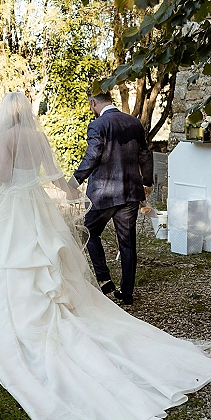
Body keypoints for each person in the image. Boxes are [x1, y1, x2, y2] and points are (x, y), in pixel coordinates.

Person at [0, 92, 211, 420]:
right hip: (39, 204)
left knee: (5, 258)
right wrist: (71, 192)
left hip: (13, 206)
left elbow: (1, 175)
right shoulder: (39, 136)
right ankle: (99, 299)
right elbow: (57, 177)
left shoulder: (4, 137)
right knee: (53, 257)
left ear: (3, 114)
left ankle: (8, 317)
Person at [73, 92, 153, 306]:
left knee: (88, 232)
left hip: (104, 194)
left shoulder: (98, 125)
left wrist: (74, 181)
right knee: (127, 243)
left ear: (93, 103)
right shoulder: (134, 122)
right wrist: (147, 182)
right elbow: (145, 154)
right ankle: (127, 293)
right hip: (130, 193)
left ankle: (104, 278)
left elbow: (93, 156)